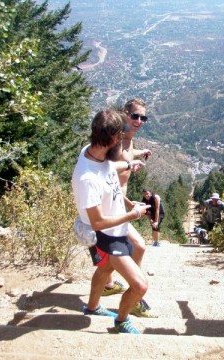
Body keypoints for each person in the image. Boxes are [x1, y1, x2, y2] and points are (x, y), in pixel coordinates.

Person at [72, 109, 151, 334]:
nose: (124, 138)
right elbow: (97, 223)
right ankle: (121, 320)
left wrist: (127, 165)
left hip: (115, 230)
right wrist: (132, 214)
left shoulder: (91, 152)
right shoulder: (88, 180)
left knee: (105, 269)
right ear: (113, 138)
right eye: (121, 134)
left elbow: (105, 168)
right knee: (139, 285)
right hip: (106, 236)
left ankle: (93, 306)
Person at [101, 98, 153, 318]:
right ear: (125, 114)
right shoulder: (115, 140)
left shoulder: (129, 141)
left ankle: (107, 285)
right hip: (111, 206)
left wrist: (139, 154)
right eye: (135, 116)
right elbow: (104, 168)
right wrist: (130, 205)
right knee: (138, 247)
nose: (139, 121)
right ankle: (135, 296)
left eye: (143, 117)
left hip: (120, 205)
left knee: (113, 254)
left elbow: (127, 154)